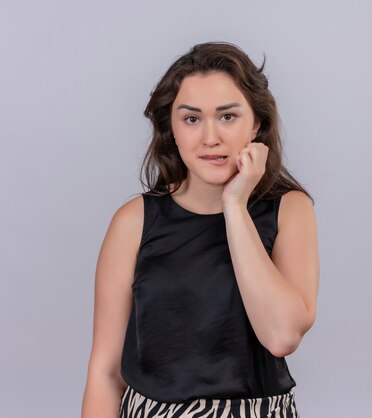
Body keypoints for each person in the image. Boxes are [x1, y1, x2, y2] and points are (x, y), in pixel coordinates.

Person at [81, 41, 319, 418]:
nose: (211, 137)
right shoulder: (133, 221)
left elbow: (282, 336)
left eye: (227, 116)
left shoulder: (289, 210)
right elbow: (106, 373)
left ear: (256, 123)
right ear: (171, 128)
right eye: (192, 118)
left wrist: (235, 205)